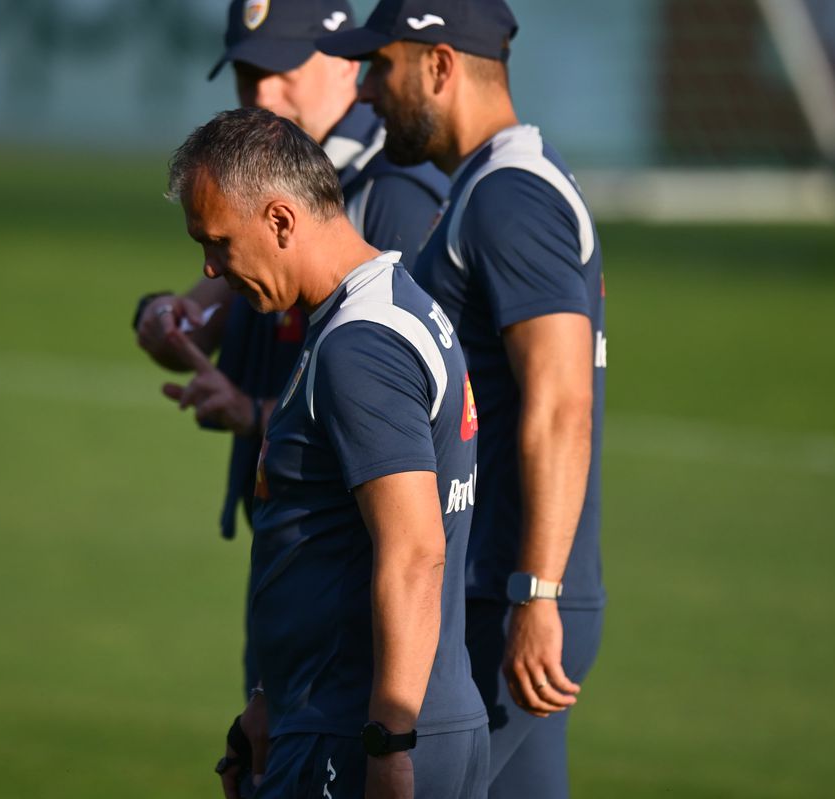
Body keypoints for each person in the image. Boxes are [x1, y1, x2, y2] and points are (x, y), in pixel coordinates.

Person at [318, 2, 607, 797]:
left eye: (383, 67)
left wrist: (536, 592)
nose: (369, 94)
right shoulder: (491, 187)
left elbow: (561, 402)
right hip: (510, 592)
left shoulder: (511, 197)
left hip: (507, 596)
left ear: (440, 65)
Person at [169, 106, 487, 799]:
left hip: (360, 733)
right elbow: (328, 541)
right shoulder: (386, 310)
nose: (210, 267)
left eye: (219, 242)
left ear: (281, 220)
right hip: (348, 719)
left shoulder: (359, 346)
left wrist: (389, 747)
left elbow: (414, 551)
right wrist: (270, 699)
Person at [134, 0, 448, 546]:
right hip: (294, 531)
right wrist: (165, 317)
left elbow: (408, 398)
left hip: (350, 546)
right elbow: (203, 314)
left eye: (282, 72)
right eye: (247, 75)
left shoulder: (391, 191)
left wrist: (253, 412)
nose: (262, 97)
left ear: (345, 63)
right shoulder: (276, 189)